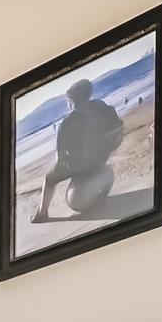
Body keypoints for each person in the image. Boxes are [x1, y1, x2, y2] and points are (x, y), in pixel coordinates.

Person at [32, 77, 123, 224]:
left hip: (83, 164)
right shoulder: (100, 106)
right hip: (101, 161)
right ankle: (99, 188)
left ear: (72, 100)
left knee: (49, 179)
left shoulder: (68, 123)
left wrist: (59, 170)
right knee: (85, 170)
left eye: (67, 100)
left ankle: (42, 214)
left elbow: (61, 156)